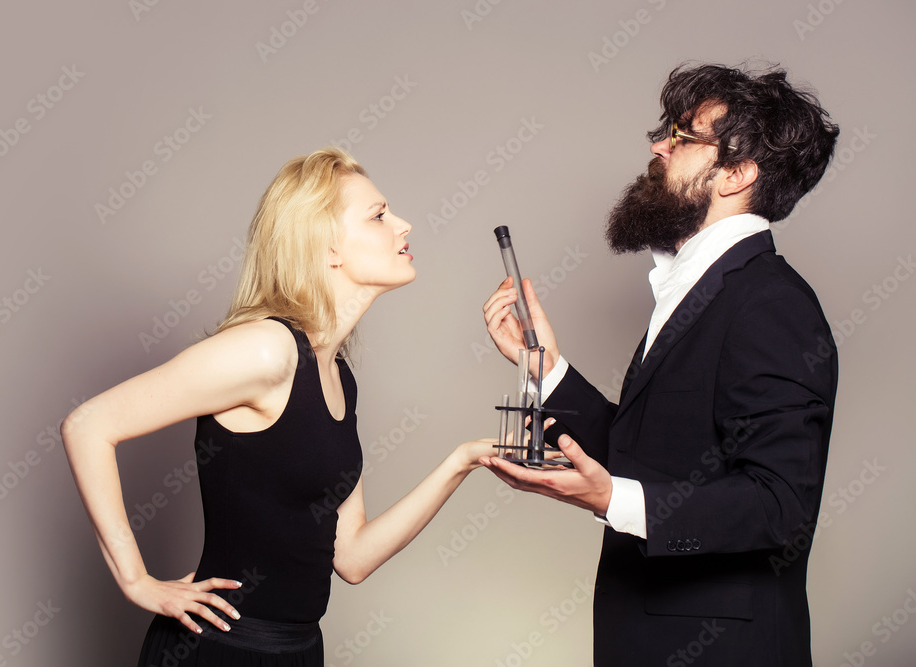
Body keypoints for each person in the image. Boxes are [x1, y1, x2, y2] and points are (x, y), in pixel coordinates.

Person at [62, 147, 495, 666]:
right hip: (218, 650)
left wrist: (464, 461)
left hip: (298, 651)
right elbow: (88, 425)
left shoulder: (339, 378)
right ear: (327, 246)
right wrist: (136, 580)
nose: (403, 225)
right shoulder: (266, 350)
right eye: (379, 216)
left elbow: (352, 557)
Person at [480, 63, 839, 665]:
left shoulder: (771, 303)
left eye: (682, 136)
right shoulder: (700, 289)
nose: (657, 147)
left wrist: (613, 500)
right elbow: (648, 458)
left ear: (738, 173)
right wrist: (544, 367)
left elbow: (779, 506)